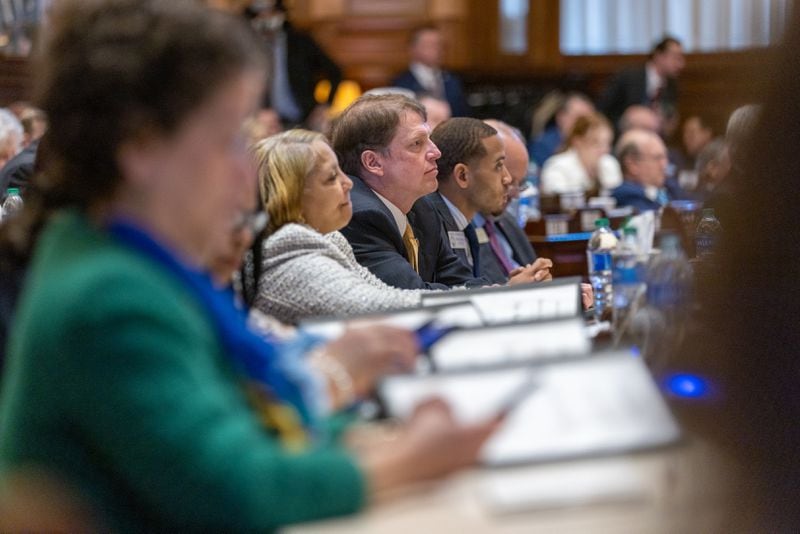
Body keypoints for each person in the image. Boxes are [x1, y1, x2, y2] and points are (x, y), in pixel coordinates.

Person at [0, 2, 499, 530]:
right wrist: (415, 459)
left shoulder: (117, 257)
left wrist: (342, 388)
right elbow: (239, 489)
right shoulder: (106, 296)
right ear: (141, 148)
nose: (246, 175)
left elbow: (240, 422)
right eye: (226, 142)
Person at [247, 129, 428, 324]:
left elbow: (388, 295)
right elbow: (377, 307)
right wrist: (462, 302)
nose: (348, 182)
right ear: (289, 197)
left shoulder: (330, 239)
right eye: (331, 177)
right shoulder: (289, 252)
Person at [333, 93, 487, 290]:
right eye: (417, 143)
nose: (436, 152)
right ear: (373, 162)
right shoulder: (357, 216)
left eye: (429, 139)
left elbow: (460, 281)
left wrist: (501, 291)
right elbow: (410, 296)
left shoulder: (423, 207)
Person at [426, 117, 551, 286]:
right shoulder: (430, 225)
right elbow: (448, 299)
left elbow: (467, 288)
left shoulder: (464, 223)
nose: (507, 179)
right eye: (499, 166)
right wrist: (509, 292)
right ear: (463, 175)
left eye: (519, 183)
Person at [247, 0, 342, 127]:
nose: (265, 19)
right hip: (265, 124)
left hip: (303, 120)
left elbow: (335, 72)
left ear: (281, 13)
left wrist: (325, 105)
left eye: (270, 13)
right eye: (259, 14)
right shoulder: (247, 46)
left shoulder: (300, 42)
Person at [599, 36, 685, 129]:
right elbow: (602, 110)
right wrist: (625, 120)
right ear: (659, 56)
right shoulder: (628, 77)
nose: (681, 64)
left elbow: (668, 122)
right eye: (676, 58)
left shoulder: (671, 85)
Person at [392, 25, 468, 118]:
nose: (437, 49)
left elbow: (463, 115)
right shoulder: (400, 83)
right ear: (413, 49)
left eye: (439, 44)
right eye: (429, 44)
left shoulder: (453, 80)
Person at [539, 112, 622, 196]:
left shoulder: (610, 164)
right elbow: (560, 202)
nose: (604, 150)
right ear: (577, 142)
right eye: (596, 143)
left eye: (607, 143)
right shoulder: (557, 167)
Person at [528, 91, 594, 169]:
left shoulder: (595, 144)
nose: (585, 125)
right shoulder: (542, 146)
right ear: (561, 117)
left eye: (589, 120)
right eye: (579, 118)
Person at [611, 129, 670, 212]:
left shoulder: (670, 189)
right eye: (657, 158)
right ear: (633, 164)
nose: (665, 165)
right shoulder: (627, 196)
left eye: (665, 157)